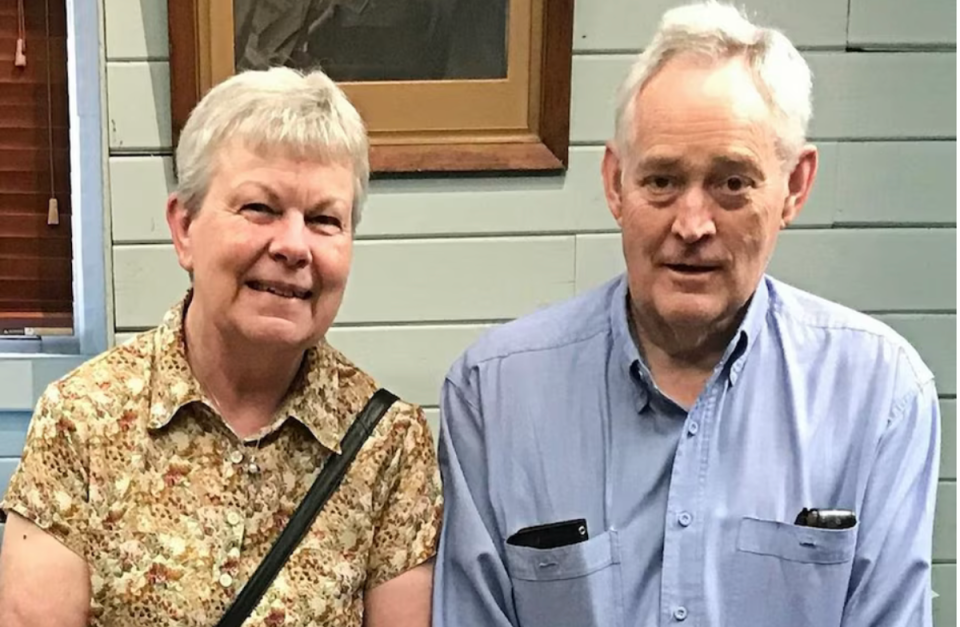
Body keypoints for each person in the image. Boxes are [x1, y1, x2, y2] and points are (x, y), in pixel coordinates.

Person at [432, 2, 941, 626]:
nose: (692, 225)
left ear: (796, 187)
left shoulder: (879, 393)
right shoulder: (496, 396)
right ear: (616, 185)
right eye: (662, 181)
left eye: (732, 183)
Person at [0, 67, 442, 627]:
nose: (293, 245)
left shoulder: (389, 444)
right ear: (184, 228)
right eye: (260, 208)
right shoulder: (82, 421)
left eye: (325, 220)